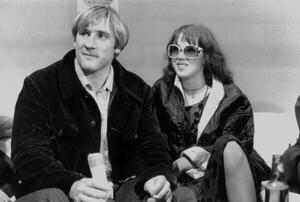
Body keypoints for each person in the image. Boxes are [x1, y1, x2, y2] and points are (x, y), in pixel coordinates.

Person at [12, 6, 196, 202]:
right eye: (84, 33)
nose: (89, 44)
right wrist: (71, 185)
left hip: (121, 186)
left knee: (180, 197)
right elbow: (29, 155)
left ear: (117, 47)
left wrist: (157, 177)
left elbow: (153, 147)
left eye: (101, 36)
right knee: (52, 198)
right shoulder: (40, 85)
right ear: (75, 39)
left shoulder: (138, 90)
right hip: (65, 188)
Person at [152, 24, 271, 202]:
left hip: (226, 177)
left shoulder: (232, 98)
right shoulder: (160, 91)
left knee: (227, 144)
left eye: (190, 50)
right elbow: (154, 138)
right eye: (175, 50)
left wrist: (188, 160)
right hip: (179, 179)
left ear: (206, 56)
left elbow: (236, 147)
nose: (181, 57)